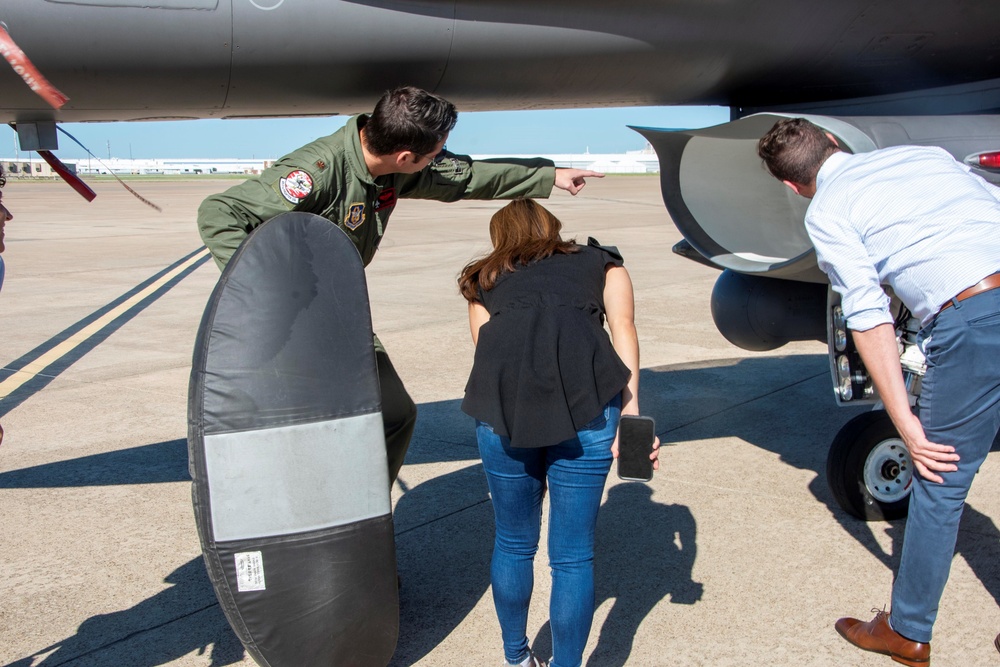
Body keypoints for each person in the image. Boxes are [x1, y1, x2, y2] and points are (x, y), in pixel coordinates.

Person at [197, 86, 602, 485]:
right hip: (294, 320)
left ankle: (359, 510)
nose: (438, 159)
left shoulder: (393, 168)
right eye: (434, 153)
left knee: (394, 415)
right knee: (309, 426)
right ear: (407, 156)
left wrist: (550, 176)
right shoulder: (318, 172)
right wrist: (279, 293)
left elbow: (467, 177)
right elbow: (220, 214)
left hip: (341, 312)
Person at [758, 117, 1000, 666]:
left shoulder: (827, 211)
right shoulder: (928, 156)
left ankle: (908, 630)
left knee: (939, 478)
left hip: (971, 321)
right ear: (836, 143)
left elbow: (868, 316)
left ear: (791, 186)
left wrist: (906, 425)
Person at [457, 198, 660, 667]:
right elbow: (624, 330)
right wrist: (632, 419)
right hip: (588, 411)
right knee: (572, 557)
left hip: (504, 416)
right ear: (553, 227)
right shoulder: (603, 263)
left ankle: (516, 658)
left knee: (512, 542)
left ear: (499, 236)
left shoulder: (481, 279)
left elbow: (487, 352)